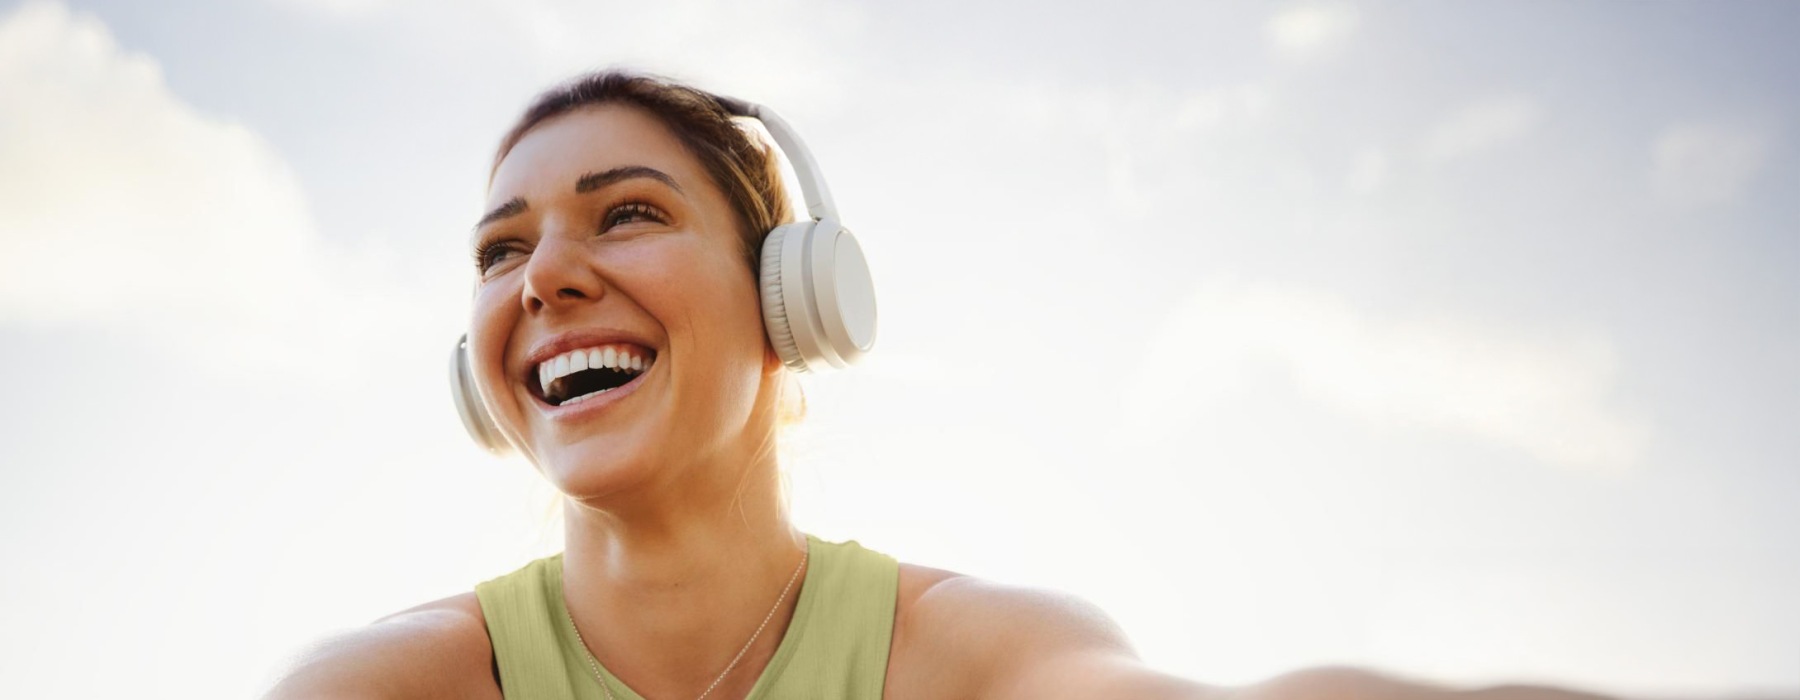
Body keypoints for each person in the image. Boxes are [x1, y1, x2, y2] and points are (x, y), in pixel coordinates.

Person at [264, 70, 1622, 700]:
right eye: (501, 249)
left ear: (796, 296)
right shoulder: (392, 684)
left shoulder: (971, 656)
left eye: (625, 216)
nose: (543, 277)